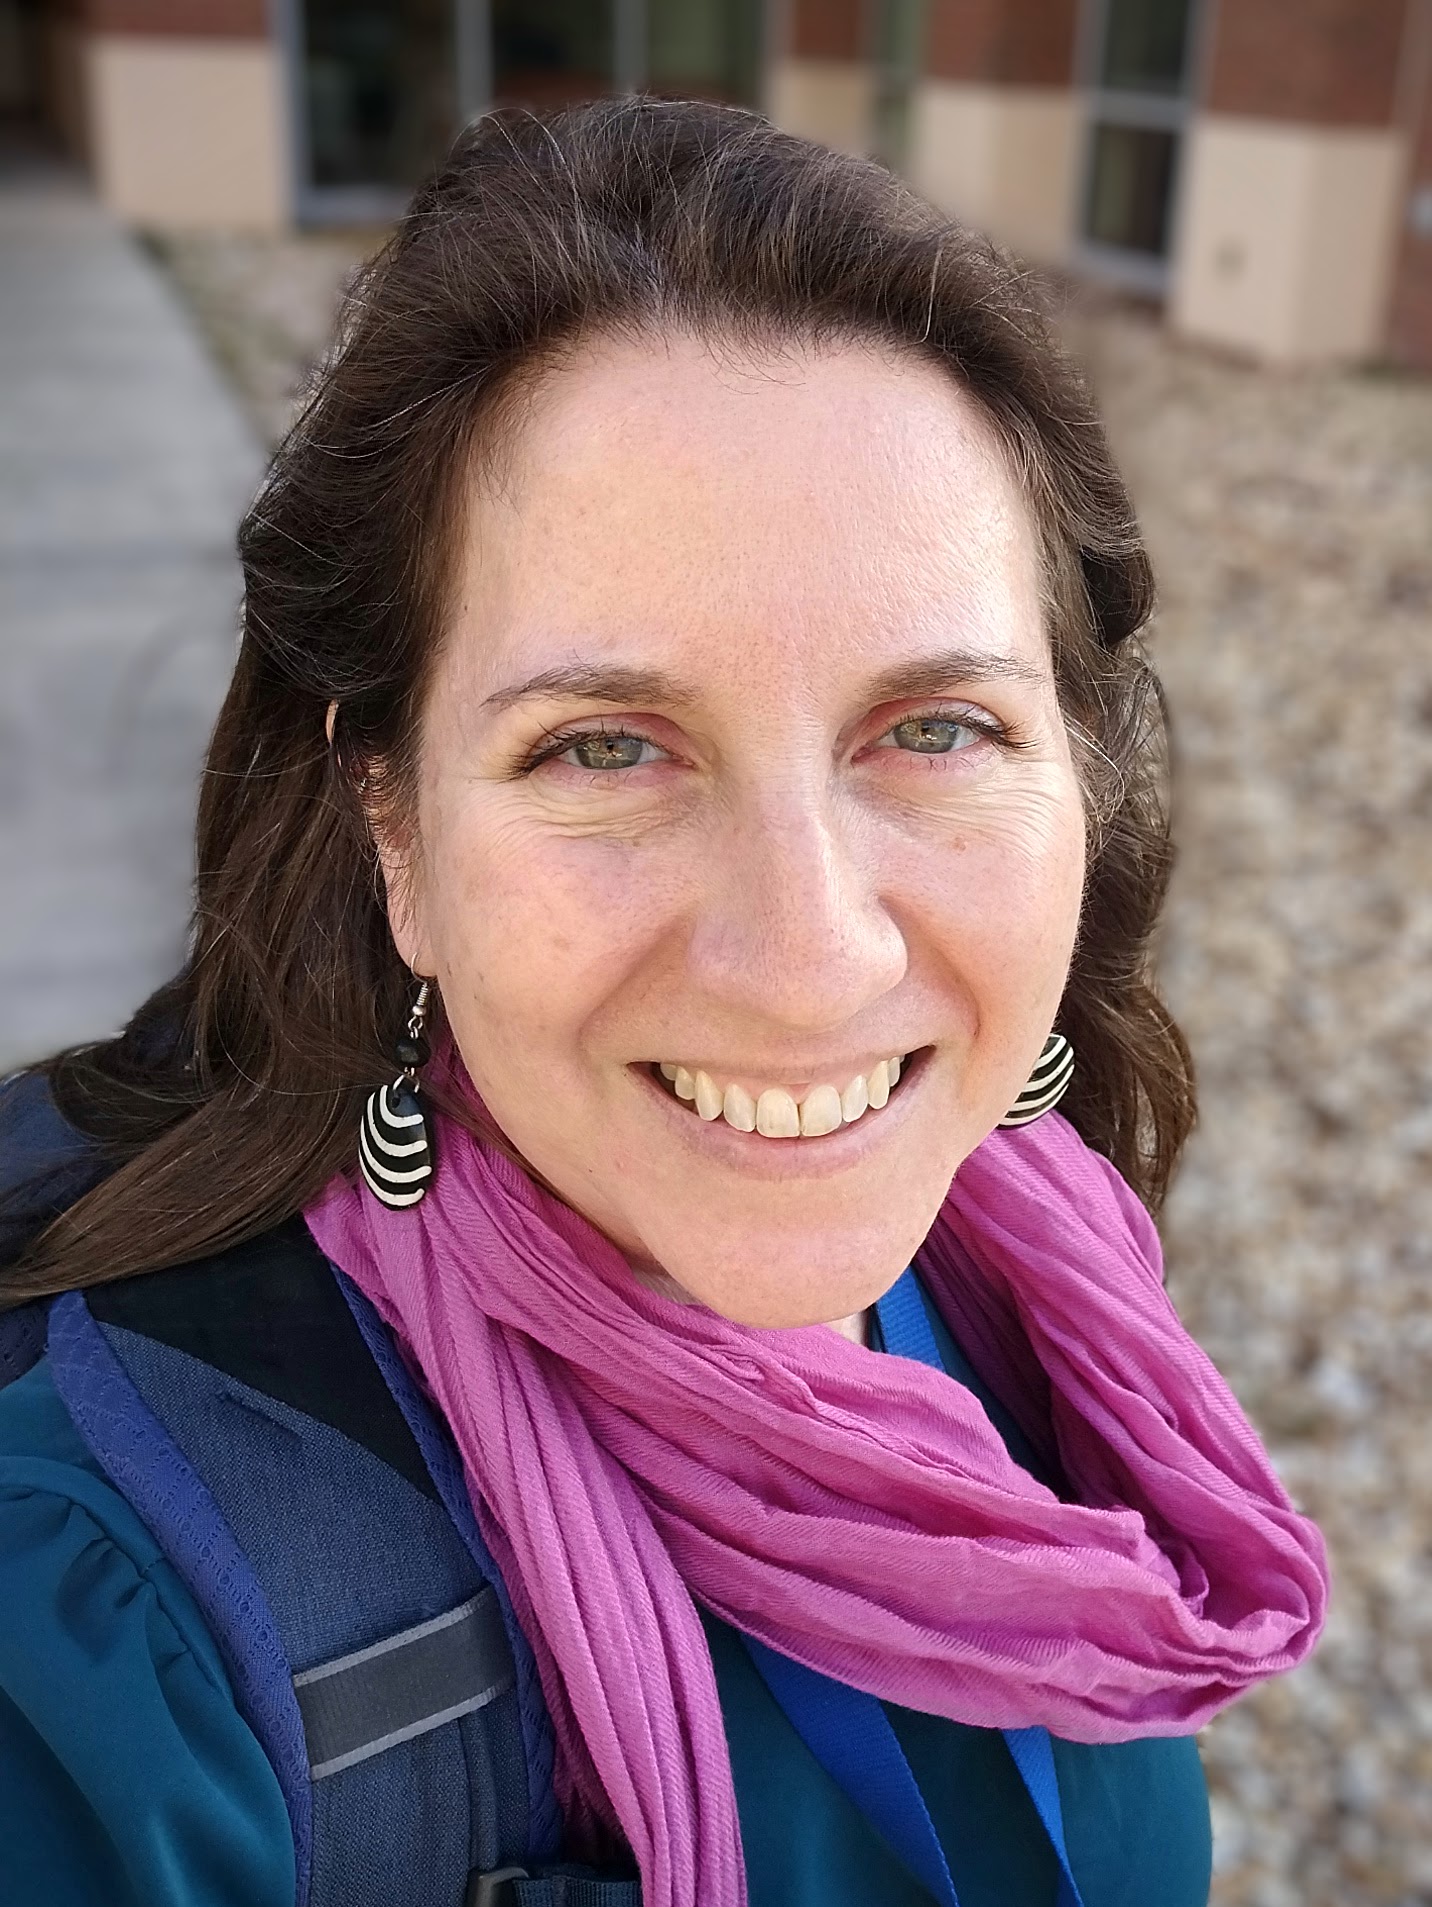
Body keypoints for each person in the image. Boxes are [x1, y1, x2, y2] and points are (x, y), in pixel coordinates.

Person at [0, 98, 1328, 1907]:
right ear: (397, 831)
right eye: (606, 748)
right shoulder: (115, 1648)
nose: (810, 960)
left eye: (938, 728)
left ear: (1080, 776)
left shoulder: (1044, 1283)